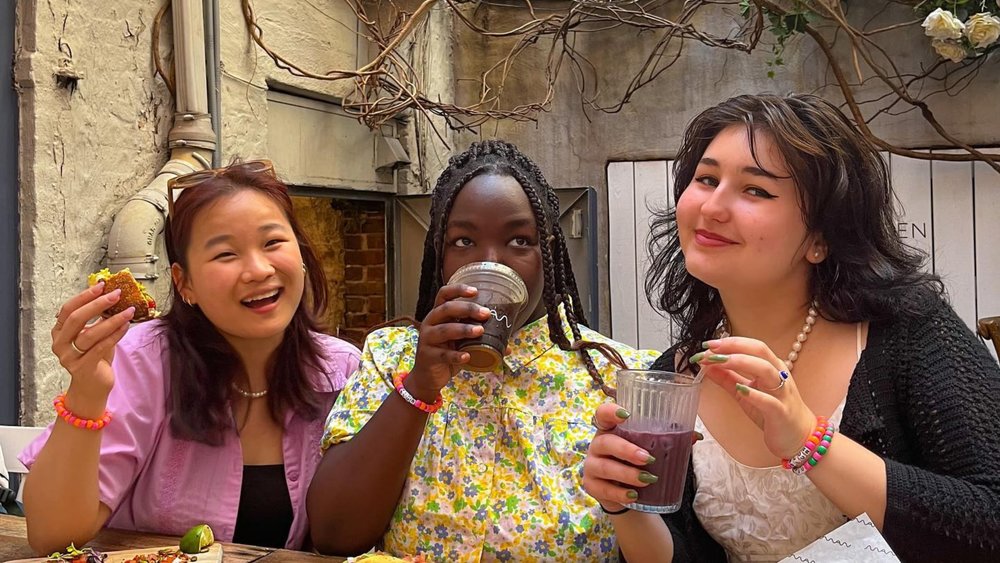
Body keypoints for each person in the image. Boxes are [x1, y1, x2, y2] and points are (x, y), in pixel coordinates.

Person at [582, 94, 1000, 562]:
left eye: (756, 190)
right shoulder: (681, 378)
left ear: (821, 238)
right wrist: (626, 504)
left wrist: (808, 440)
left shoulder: (905, 332)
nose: (713, 207)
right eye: (706, 179)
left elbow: (989, 521)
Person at [307, 140, 659, 560]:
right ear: (439, 253)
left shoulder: (618, 377)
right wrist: (419, 386)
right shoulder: (392, 357)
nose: (492, 264)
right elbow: (333, 534)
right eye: (462, 242)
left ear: (548, 253)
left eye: (519, 241)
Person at [20, 160, 361, 553]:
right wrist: (87, 392)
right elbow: (52, 536)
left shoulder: (344, 371)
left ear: (300, 253)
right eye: (225, 254)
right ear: (185, 285)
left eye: (272, 243)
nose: (257, 269)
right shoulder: (138, 361)